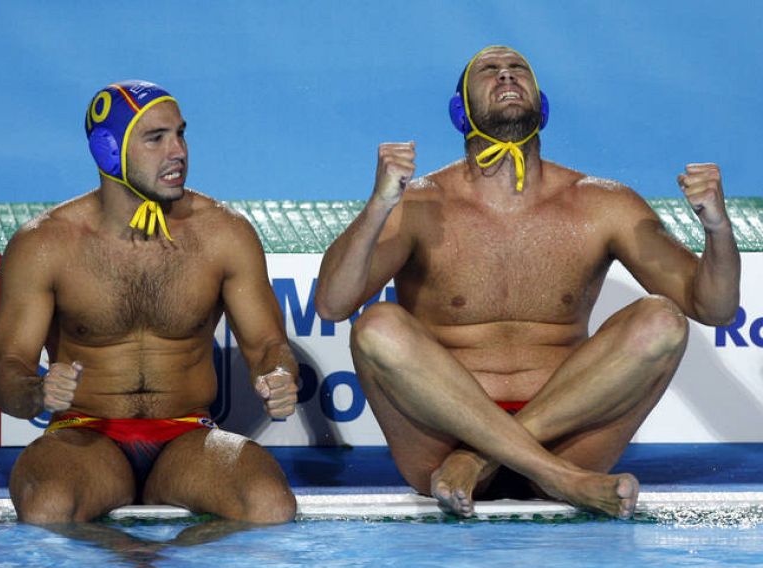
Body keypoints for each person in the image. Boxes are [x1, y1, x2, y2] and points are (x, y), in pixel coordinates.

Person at [315, 46, 740, 518]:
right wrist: (379, 206)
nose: (506, 75)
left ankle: (484, 458)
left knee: (662, 320)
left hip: (564, 441)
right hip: (441, 441)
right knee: (376, 325)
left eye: (518, 69)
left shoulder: (603, 204)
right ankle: (559, 480)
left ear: (543, 103)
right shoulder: (421, 204)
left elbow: (714, 309)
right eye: (488, 71)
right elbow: (334, 304)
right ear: (461, 110)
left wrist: (718, 230)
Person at [0, 80, 299, 525]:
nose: (178, 151)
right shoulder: (46, 245)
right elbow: (6, 371)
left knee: (270, 506)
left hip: (188, 438)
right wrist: (36, 390)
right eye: (156, 138)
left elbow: (268, 345)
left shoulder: (223, 234)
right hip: (84, 437)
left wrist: (278, 374)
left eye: (181, 134)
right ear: (107, 151)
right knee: (48, 508)